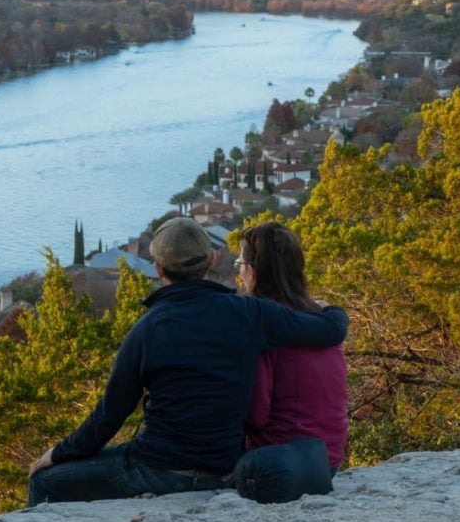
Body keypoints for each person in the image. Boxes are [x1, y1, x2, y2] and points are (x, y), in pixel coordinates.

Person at [27, 217, 349, 506]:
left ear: (159, 269)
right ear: (210, 260)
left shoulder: (148, 329)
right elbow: (328, 329)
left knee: (44, 483)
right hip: (224, 468)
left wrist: (57, 453)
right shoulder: (250, 313)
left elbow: (108, 417)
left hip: (158, 467)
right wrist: (331, 310)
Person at [236, 222, 348, 472]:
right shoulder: (319, 320)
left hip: (278, 461)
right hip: (326, 458)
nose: (239, 274)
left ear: (252, 271)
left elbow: (255, 416)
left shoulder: (264, 327)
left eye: (240, 265)